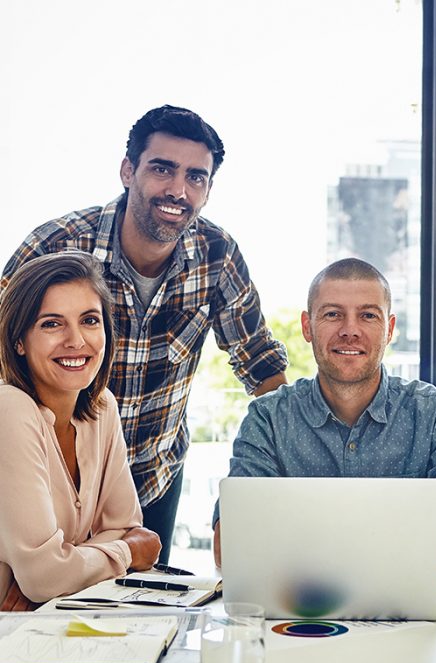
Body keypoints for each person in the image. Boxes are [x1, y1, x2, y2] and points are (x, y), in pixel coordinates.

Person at [1, 106, 288, 563]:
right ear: (128, 170)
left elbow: (258, 362)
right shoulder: (56, 246)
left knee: (137, 619)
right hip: (49, 478)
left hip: (153, 479)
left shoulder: (218, 256)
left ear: (208, 190)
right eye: (162, 169)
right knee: (39, 611)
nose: (178, 190)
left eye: (196, 177)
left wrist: (300, 464)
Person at [212, 258, 436, 571]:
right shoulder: (268, 418)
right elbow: (230, 544)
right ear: (307, 326)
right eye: (333, 314)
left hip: (408, 610)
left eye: (368, 316)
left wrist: (337, 562)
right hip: (299, 609)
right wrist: (387, 559)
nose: (350, 331)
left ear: (389, 329)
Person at [0, 252, 161, 611]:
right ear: (19, 341)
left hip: (51, 625)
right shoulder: (9, 409)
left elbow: (126, 526)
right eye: (51, 324)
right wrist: (127, 552)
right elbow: (44, 578)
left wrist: (67, 565)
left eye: (89, 320)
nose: (76, 341)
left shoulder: (102, 408)